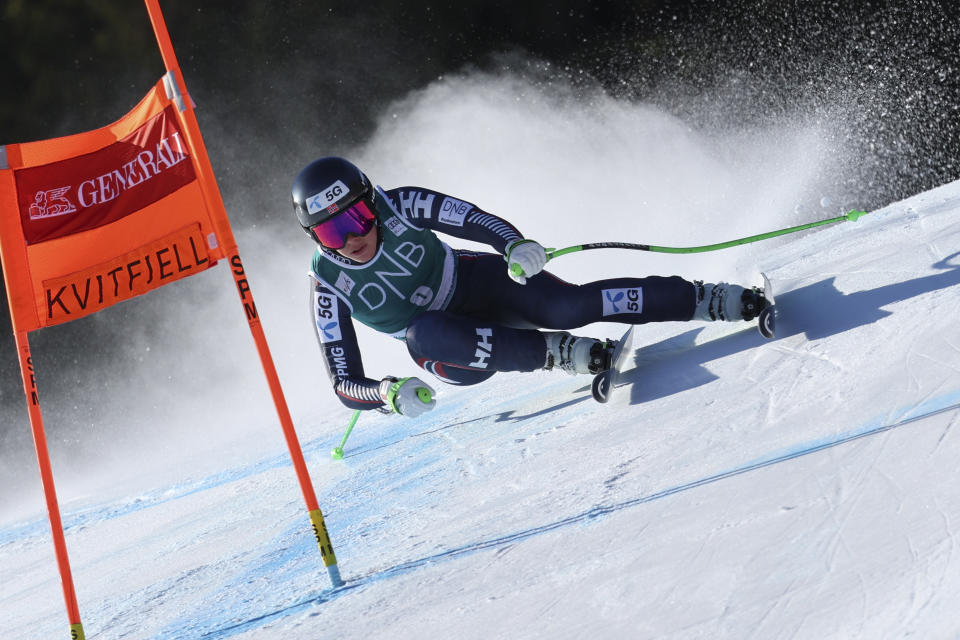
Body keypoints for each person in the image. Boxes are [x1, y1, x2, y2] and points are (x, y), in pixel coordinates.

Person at [293, 157, 767, 418]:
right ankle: (556, 354)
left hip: (476, 281)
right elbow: (342, 382)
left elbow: (470, 218)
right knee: (423, 334)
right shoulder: (327, 284)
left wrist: (514, 245)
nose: (352, 240)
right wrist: (387, 392)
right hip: (449, 347)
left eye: (357, 218)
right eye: (332, 233)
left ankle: (706, 298)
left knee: (567, 307)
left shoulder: (400, 205)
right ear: (315, 238)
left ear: (372, 203)